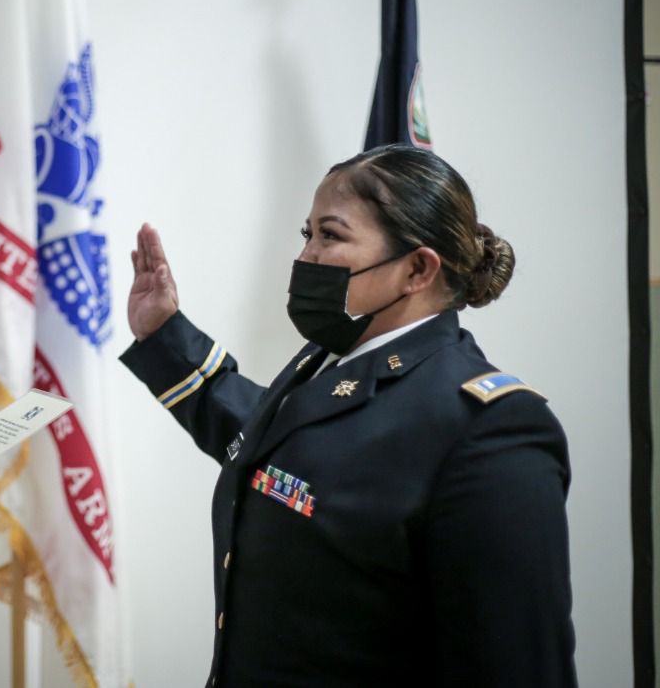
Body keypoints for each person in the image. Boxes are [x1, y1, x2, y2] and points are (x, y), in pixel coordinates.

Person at [121, 144, 576, 687]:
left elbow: (517, 666)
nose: (306, 255)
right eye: (306, 234)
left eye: (330, 236)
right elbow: (273, 452)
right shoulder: (332, 358)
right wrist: (165, 334)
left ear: (416, 268)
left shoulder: (488, 429)